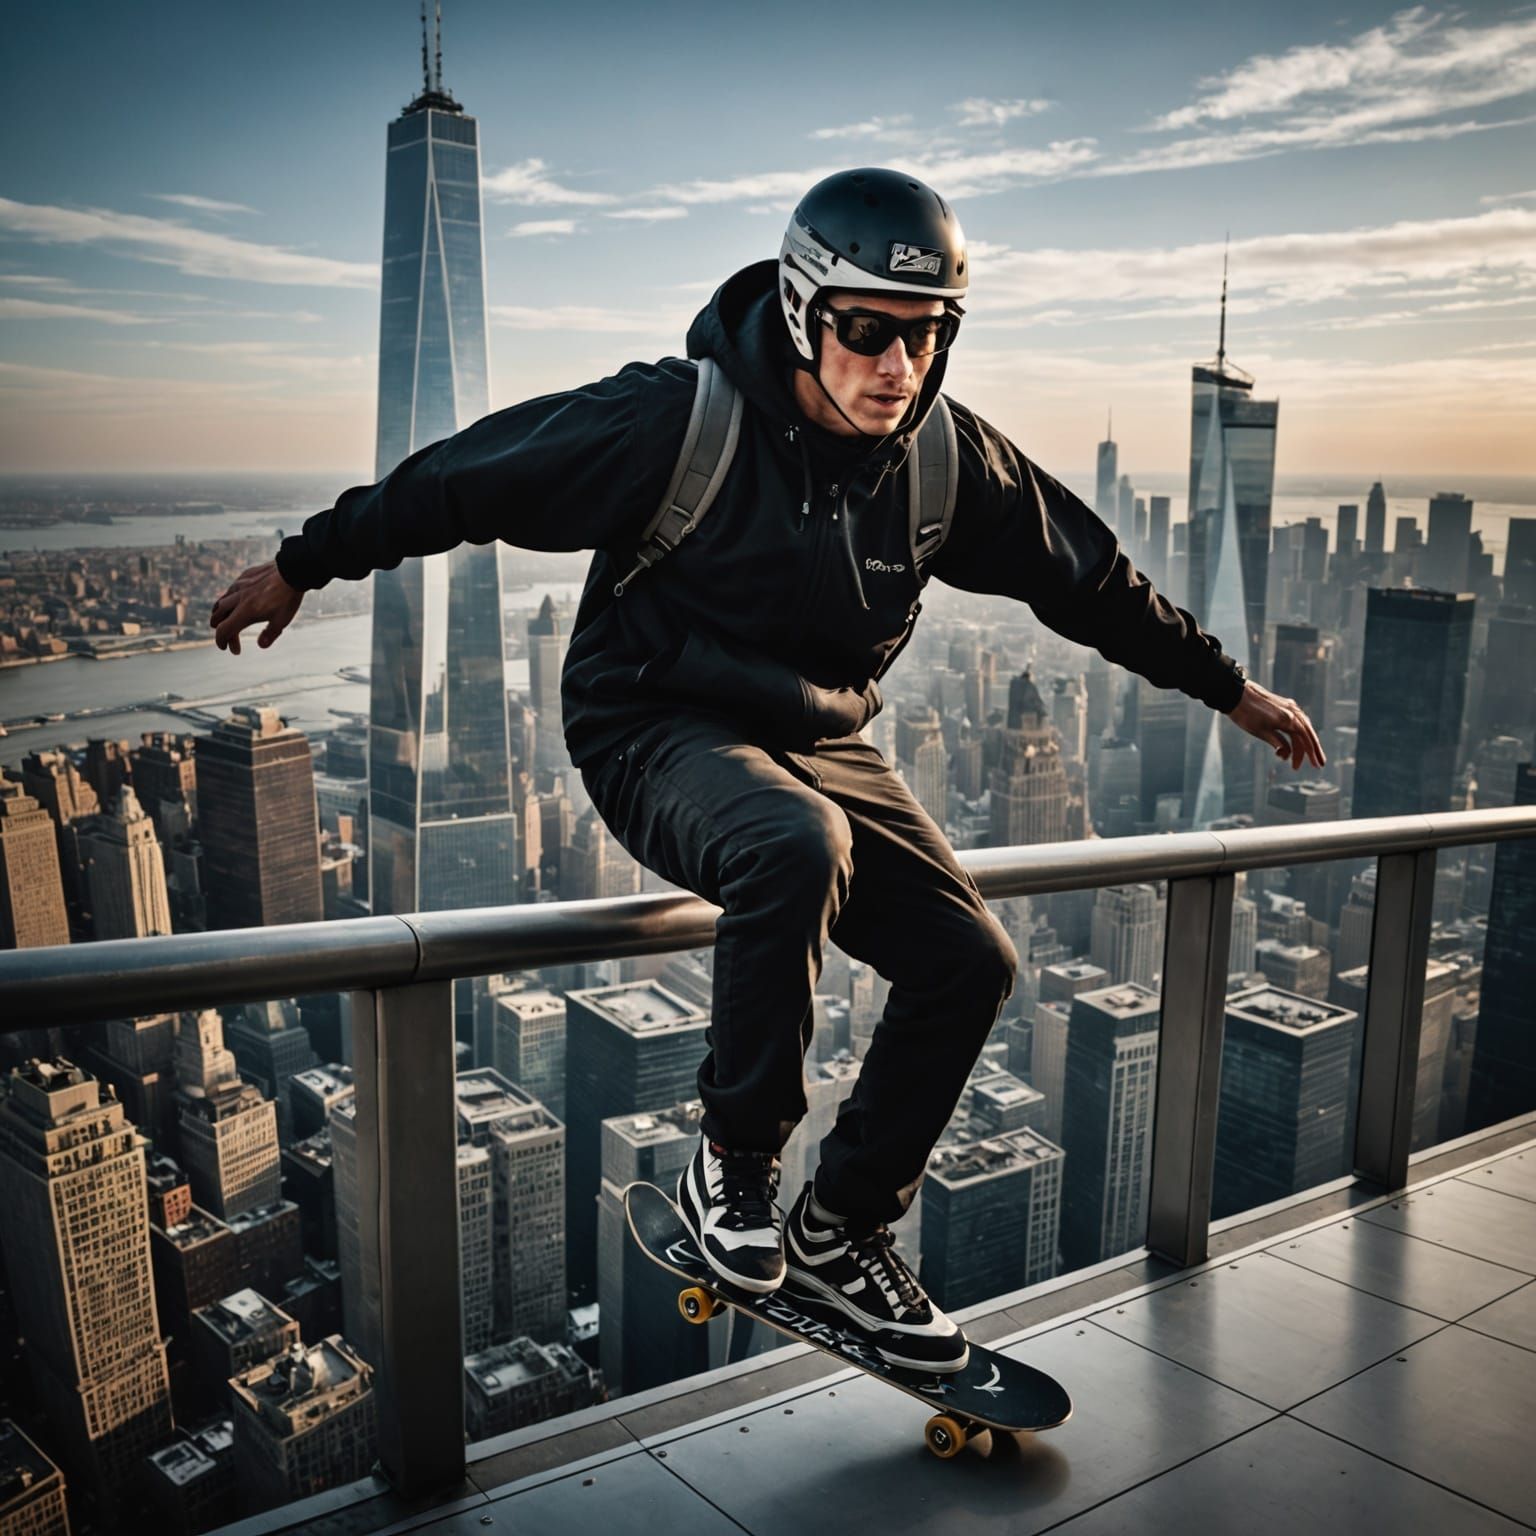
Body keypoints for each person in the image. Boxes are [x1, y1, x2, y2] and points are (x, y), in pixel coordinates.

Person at [210, 167, 1325, 1374]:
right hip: (650, 724)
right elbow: (466, 478)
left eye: (927, 336)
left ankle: (842, 1228)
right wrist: (303, 562)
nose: (898, 367)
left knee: (971, 960)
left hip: (815, 743)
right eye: (868, 332)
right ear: (804, 311)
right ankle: (730, 1172)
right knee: (795, 843)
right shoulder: (673, 421)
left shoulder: (947, 460)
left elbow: (1090, 579)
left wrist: (1228, 689)